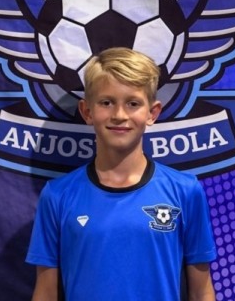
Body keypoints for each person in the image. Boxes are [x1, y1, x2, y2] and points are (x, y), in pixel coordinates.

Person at [26, 47, 217, 301]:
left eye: (133, 103)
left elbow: (201, 291)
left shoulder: (184, 191)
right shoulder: (58, 196)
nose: (119, 115)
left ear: (152, 113)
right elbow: (46, 294)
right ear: (87, 111)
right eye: (106, 103)